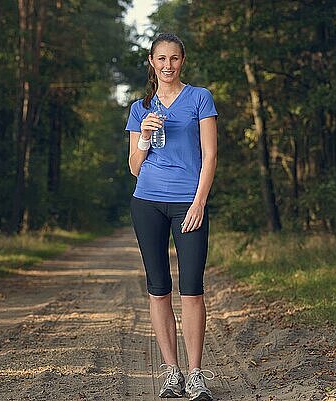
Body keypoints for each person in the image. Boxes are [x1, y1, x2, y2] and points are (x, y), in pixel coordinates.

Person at [125, 33, 218, 400]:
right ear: (151, 61)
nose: (168, 65)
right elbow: (134, 168)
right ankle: (172, 373)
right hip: (146, 202)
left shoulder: (199, 98)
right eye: (161, 58)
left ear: (183, 60)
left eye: (174, 58)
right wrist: (144, 138)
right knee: (158, 287)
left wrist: (198, 203)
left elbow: (209, 156)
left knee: (192, 288)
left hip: (187, 203)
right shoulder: (140, 107)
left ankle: (196, 375)